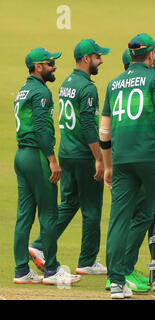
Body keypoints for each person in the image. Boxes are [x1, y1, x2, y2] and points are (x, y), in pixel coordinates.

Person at [99, 33, 155, 299]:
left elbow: (104, 132)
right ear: (150, 56)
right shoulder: (154, 78)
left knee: (119, 218)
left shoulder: (113, 84)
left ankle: (116, 282)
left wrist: (109, 166)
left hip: (121, 158)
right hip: (149, 155)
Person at [29, 39, 110, 276]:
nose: (101, 60)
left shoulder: (67, 82)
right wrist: (99, 158)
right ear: (86, 59)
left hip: (66, 152)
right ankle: (87, 261)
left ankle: (39, 245)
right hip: (85, 155)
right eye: (97, 56)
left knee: (70, 202)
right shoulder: (88, 87)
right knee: (92, 208)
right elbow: (88, 124)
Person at [13, 47, 80, 285]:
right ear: (38, 67)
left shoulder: (23, 90)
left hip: (21, 156)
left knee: (24, 216)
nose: (54, 67)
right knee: (49, 214)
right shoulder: (41, 91)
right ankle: (52, 270)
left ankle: (21, 270)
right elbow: (41, 127)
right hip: (37, 156)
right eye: (50, 63)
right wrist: (52, 160)